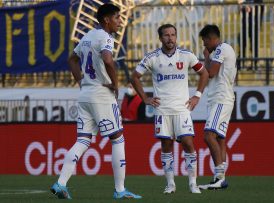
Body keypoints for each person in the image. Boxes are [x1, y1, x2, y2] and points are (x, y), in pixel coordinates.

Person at [50, 4, 141, 200]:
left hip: (86, 94)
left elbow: (71, 59)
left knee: (82, 140)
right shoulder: (106, 38)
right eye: (117, 17)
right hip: (102, 93)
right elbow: (108, 60)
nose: (119, 21)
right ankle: (120, 190)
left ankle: (60, 183)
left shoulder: (87, 36)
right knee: (118, 138)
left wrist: (81, 81)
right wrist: (115, 84)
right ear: (107, 20)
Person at [131, 24, 209, 194]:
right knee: (166, 144)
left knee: (188, 143)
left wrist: (197, 95)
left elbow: (204, 73)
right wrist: (145, 98)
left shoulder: (186, 56)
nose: (170, 38)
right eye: (166, 35)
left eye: (173, 35)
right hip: (162, 109)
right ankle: (170, 184)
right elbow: (134, 77)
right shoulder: (152, 58)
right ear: (160, 38)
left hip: (182, 108)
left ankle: (192, 184)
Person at [197, 25, 236, 190]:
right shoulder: (223, 50)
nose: (204, 45)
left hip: (221, 98)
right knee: (219, 138)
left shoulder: (222, 48)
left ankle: (219, 176)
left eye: (205, 42)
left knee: (208, 135)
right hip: (220, 98)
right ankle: (220, 178)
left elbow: (210, 73)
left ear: (212, 38)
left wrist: (206, 59)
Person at [238, 0, 264, 70]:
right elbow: (240, 6)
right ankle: (241, 63)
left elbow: (260, 7)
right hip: (245, 25)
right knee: (242, 43)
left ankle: (254, 64)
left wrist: (251, 8)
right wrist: (242, 6)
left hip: (254, 25)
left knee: (254, 45)